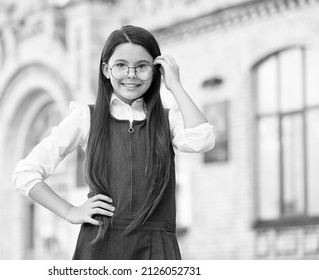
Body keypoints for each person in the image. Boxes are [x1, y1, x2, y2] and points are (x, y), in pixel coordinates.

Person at [13, 25, 215, 260]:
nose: (131, 75)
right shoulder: (86, 117)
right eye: (121, 65)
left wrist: (175, 85)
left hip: (158, 249)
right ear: (106, 70)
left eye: (142, 67)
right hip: (100, 245)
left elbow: (203, 140)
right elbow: (25, 173)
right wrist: (70, 211)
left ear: (155, 70)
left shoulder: (168, 119)